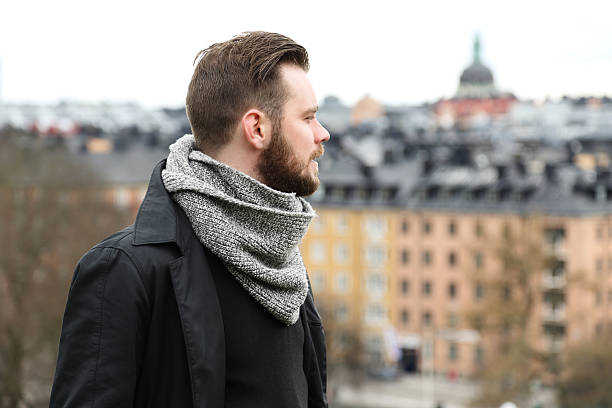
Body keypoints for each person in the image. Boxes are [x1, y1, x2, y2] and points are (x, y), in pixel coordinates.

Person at [50, 31, 330, 408]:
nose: (322, 133)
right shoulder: (124, 271)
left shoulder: (284, 266)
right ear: (257, 128)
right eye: (309, 117)